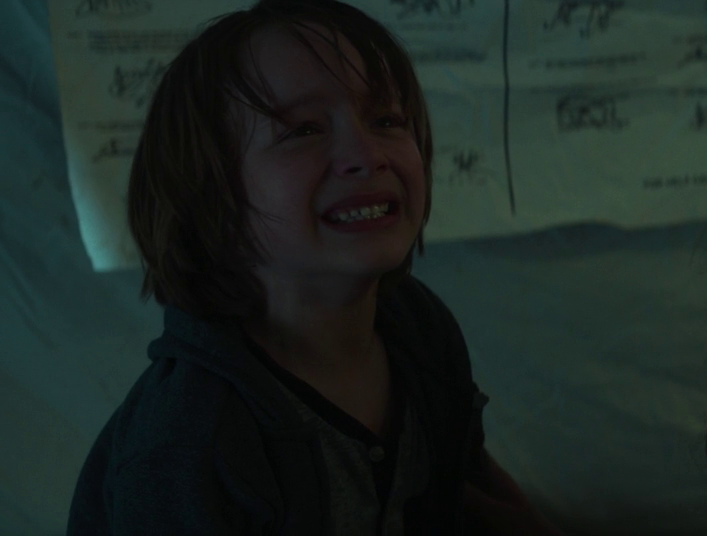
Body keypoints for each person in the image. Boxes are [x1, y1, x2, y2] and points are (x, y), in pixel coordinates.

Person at [66, 1, 560, 534]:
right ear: (210, 195)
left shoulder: (420, 328)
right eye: (303, 130)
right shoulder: (186, 443)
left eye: (387, 120)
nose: (367, 154)